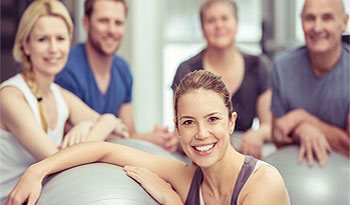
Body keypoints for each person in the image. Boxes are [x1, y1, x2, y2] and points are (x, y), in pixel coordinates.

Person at [6, 70, 290, 205]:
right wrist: (38, 170)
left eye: (213, 119)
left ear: (231, 122)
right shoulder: (187, 177)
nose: (202, 133)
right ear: (177, 129)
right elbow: (104, 151)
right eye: (188, 122)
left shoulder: (263, 183)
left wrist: (172, 201)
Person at [0, 0, 129, 203]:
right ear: (26, 45)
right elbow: (59, 161)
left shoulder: (59, 95)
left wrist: (96, 124)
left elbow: (120, 130)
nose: (53, 49)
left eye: (60, 39)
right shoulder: (10, 97)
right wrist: (104, 122)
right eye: (42, 39)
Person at [54, 0, 178, 152]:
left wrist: (159, 138)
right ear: (86, 23)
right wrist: (147, 139)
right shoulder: (65, 69)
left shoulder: (123, 69)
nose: (111, 30)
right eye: (103, 21)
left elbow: (127, 133)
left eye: (118, 23)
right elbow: (76, 141)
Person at [172, 0, 273, 159]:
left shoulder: (258, 66)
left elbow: (268, 124)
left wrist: (258, 134)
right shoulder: (186, 69)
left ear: (237, 23)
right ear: (202, 28)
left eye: (225, 18)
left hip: (243, 154)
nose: (218, 25)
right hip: (200, 155)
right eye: (211, 20)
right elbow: (180, 128)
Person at [271, 0, 349, 166]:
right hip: (296, 177)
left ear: (344, 22)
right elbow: (277, 136)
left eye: (327, 18)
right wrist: (301, 130)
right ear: (301, 22)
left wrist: (302, 118)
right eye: (310, 18)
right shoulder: (282, 67)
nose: (317, 27)